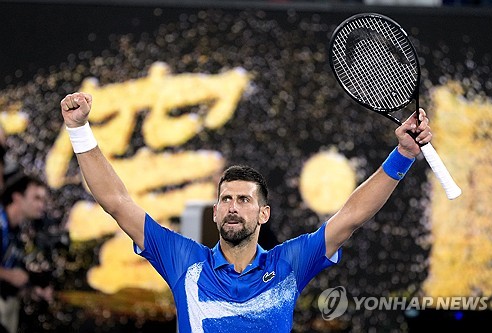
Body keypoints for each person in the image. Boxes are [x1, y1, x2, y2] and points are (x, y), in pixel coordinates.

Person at [60, 92, 432, 332]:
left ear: (263, 214)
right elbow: (116, 202)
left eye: (244, 200)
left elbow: (351, 217)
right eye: (226, 199)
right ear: (215, 213)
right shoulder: (184, 261)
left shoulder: (289, 264)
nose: (233, 207)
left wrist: (402, 156)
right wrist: (79, 131)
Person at [0, 174, 50, 333]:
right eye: (36, 198)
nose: (42, 205)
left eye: (44, 200)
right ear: (17, 197)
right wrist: (9, 275)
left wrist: (29, 290)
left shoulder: (18, 232)